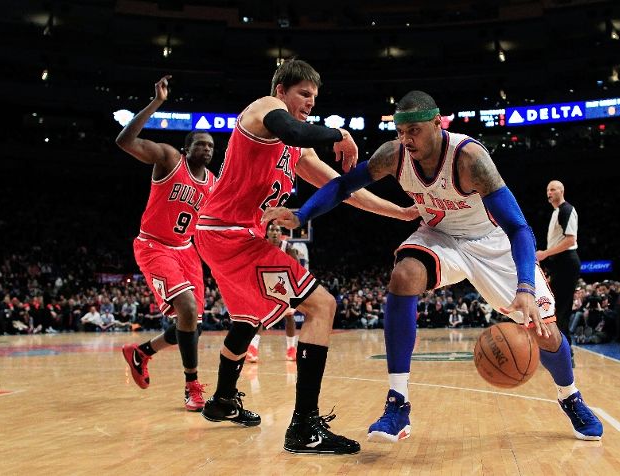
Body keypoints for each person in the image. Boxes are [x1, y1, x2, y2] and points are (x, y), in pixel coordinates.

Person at [264, 90, 604, 443]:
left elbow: (519, 227)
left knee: (545, 332)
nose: (406, 139)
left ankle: (571, 396)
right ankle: (398, 404)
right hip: (440, 235)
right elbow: (343, 185)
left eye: (414, 131)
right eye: (401, 131)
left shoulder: (470, 158)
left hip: (492, 244)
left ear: (437, 124)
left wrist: (526, 289)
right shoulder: (394, 155)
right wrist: (302, 213)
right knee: (403, 275)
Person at [194, 59, 417, 454]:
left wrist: (397, 212)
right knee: (321, 306)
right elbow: (293, 128)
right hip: (232, 235)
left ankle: (223, 399)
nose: (311, 102)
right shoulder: (262, 109)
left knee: (248, 319)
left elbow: (342, 186)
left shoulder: (296, 153)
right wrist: (339, 135)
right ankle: (304, 427)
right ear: (281, 90)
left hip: (227, 236)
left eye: (315, 97)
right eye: (304, 94)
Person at [116, 75, 216, 411]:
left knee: (190, 328)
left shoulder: (213, 183)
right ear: (188, 148)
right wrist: (156, 103)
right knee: (186, 310)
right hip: (154, 246)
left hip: (187, 251)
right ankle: (192, 386)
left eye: (211, 145)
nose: (206, 148)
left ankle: (141, 352)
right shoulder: (170, 159)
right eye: (200, 143)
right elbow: (125, 141)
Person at [536, 180, 580, 359]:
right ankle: (559, 349)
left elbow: (570, 240)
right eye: (547, 190)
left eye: (553, 189)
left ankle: (565, 353)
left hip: (567, 262)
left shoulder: (567, 210)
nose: (549, 192)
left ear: (562, 191)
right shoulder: (556, 212)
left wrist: (545, 253)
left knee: (561, 309)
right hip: (559, 263)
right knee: (553, 308)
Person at [246, 223, 301, 362]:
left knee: (289, 316)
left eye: (277, 230)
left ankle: (291, 349)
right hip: (266, 283)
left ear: (281, 232)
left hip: (285, 285)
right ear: (267, 232)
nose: (275, 232)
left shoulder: (287, 247)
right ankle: (252, 349)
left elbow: (297, 269)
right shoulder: (261, 246)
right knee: (260, 317)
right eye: (272, 230)